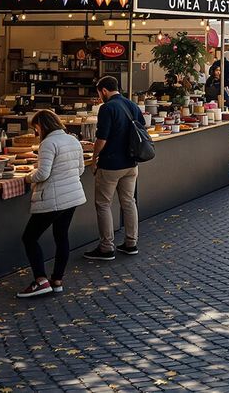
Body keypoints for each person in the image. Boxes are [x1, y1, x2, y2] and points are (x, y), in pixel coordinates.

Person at [17, 110, 86, 298]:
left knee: (29, 238)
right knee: (61, 236)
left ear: (42, 125)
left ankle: (40, 280)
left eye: (36, 128)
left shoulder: (48, 143)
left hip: (54, 198)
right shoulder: (73, 140)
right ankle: (57, 280)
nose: (35, 132)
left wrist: (27, 177)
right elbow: (80, 169)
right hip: (72, 197)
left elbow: (43, 174)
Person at [84, 76, 146, 261]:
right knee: (128, 202)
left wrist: (95, 158)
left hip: (111, 164)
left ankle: (106, 247)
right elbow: (142, 127)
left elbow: (101, 138)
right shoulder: (132, 105)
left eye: (99, 93)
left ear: (103, 90)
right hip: (131, 163)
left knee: (103, 204)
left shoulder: (107, 108)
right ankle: (131, 243)